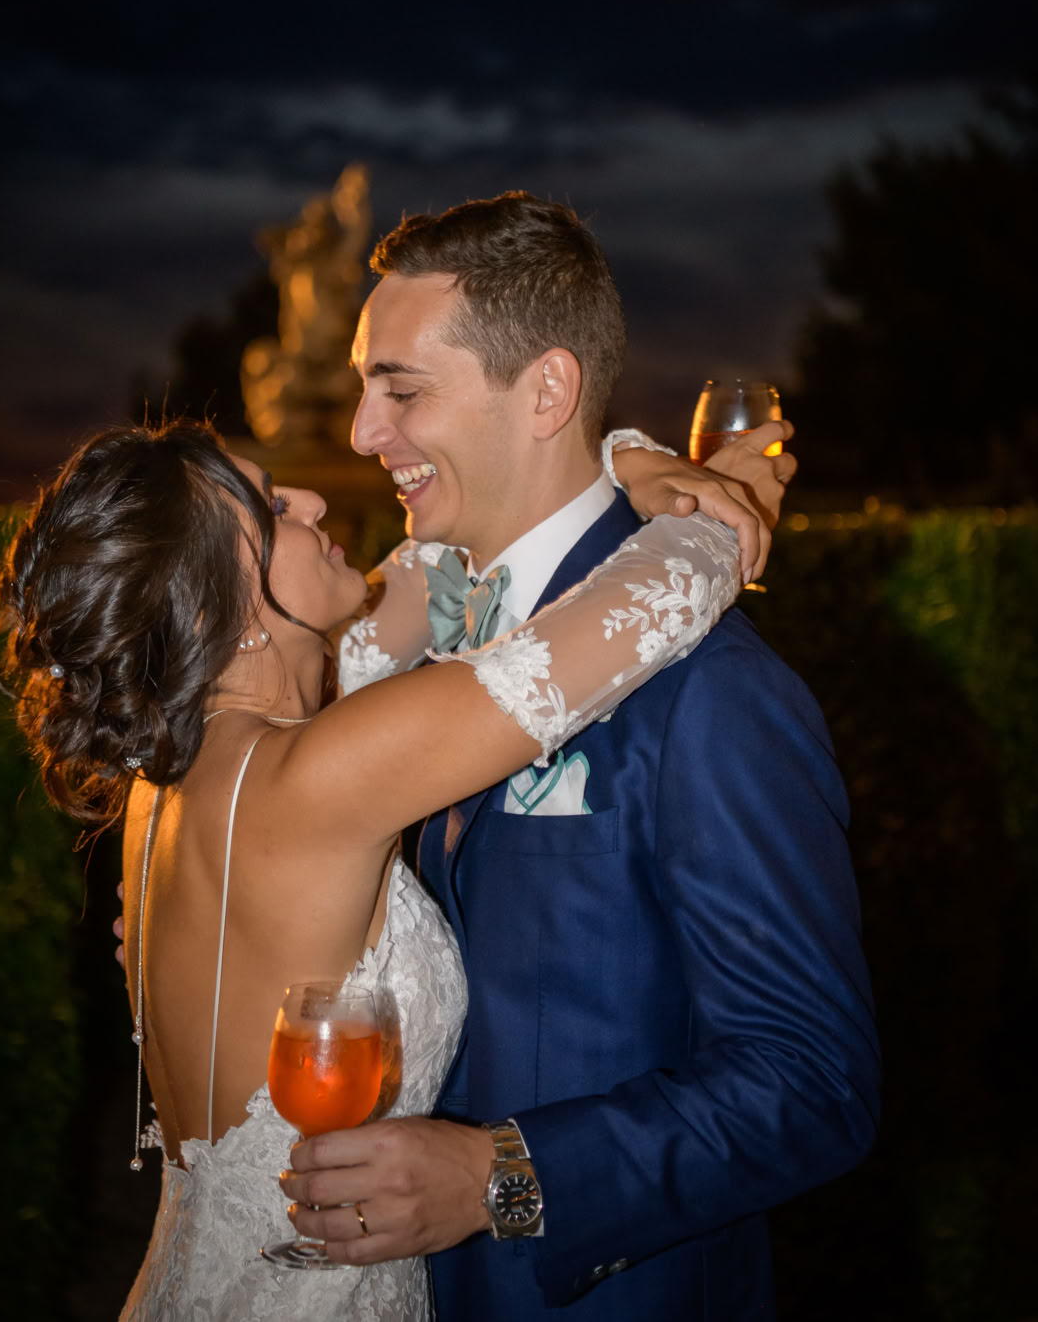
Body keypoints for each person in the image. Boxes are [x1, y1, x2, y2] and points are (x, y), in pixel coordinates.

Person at [0, 395, 763, 1321]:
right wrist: (724, 501)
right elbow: (656, 602)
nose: (314, 501)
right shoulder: (316, 778)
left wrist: (621, 462)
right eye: (273, 509)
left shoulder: (178, 773)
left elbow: (439, 573)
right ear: (218, 606)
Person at [281, 192, 881, 1320]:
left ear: (548, 391)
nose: (362, 432)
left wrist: (502, 1176)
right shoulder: (419, 637)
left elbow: (814, 1083)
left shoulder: (712, 689)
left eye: (401, 390)